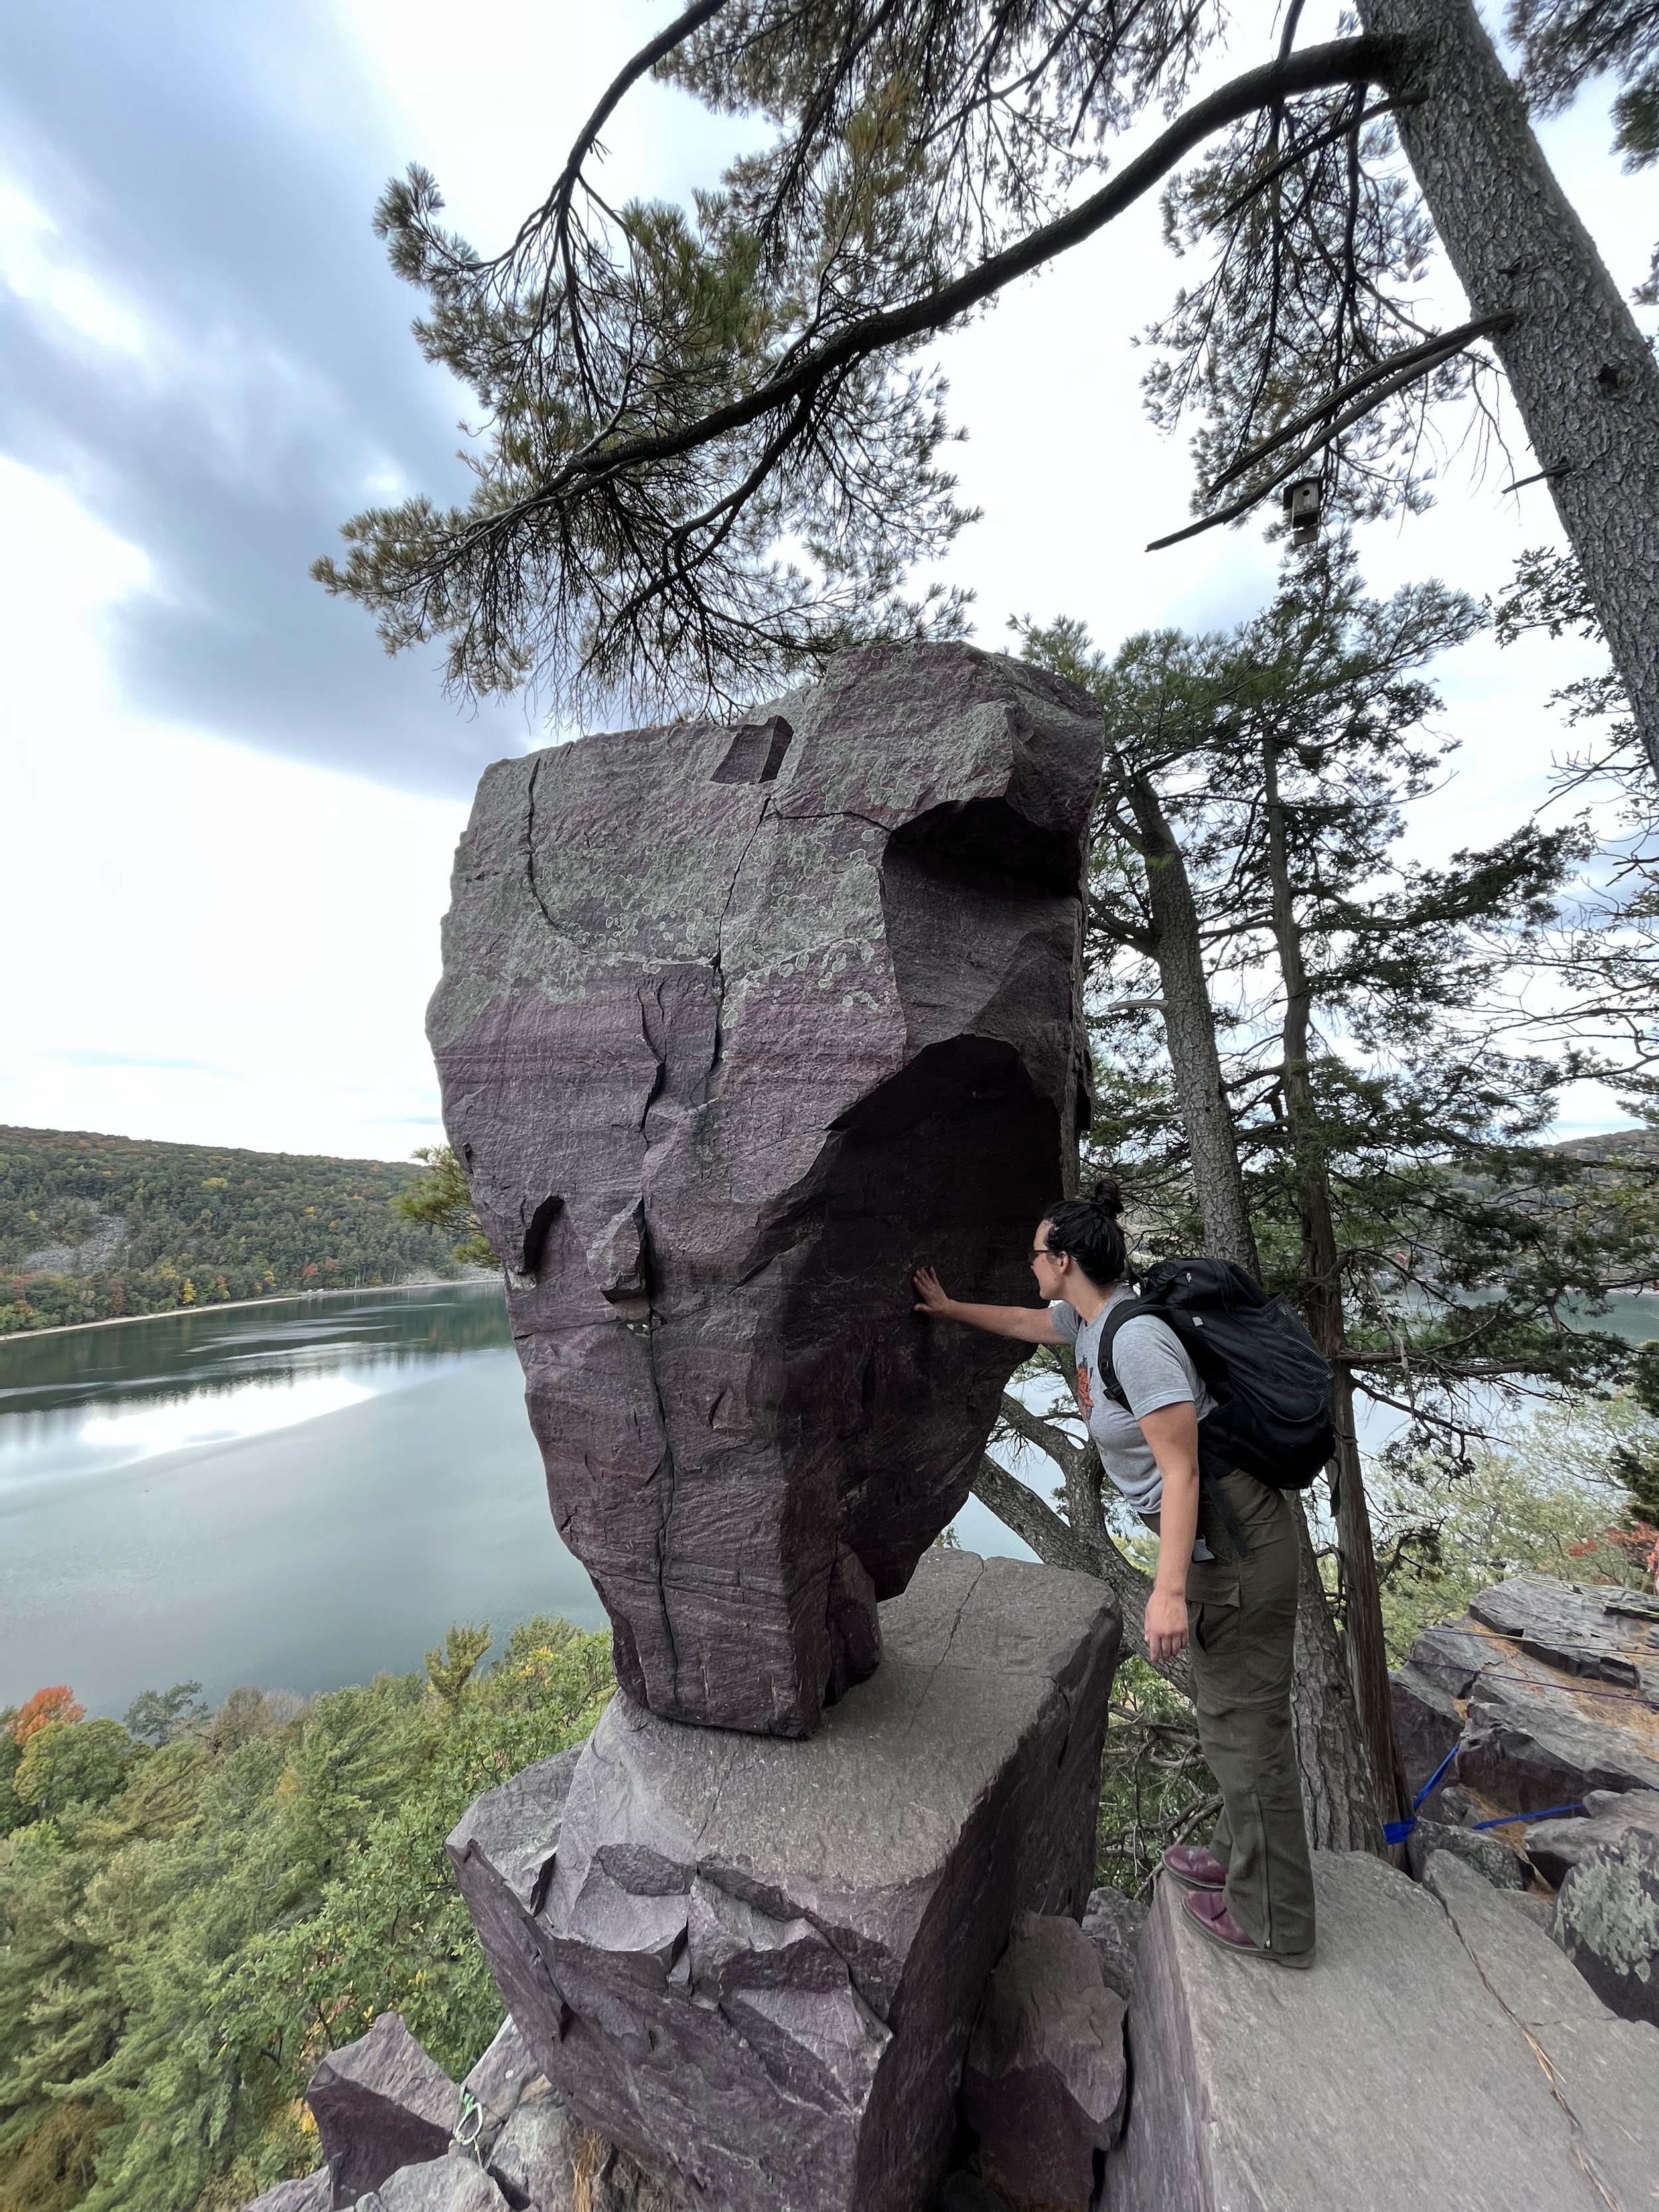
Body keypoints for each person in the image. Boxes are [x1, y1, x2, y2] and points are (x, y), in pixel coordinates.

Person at [913, 1181, 1315, 1968]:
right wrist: (951, 1307)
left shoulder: (1133, 1341)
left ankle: (1274, 1917)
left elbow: (1183, 1470)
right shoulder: (1091, 1321)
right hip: (1213, 1545)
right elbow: (1032, 1324)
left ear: (1063, 1260)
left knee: (1244, 1728)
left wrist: (1165, 1593)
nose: (1030, 1265)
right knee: (1233, 1718)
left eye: (1036, 1253)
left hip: (1233, 1543)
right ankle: (1246, 1864)